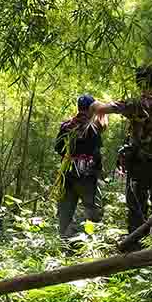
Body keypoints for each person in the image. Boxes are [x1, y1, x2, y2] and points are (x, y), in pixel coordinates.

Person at [91, 65, 152, 233]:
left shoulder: (133, 103)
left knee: (136, 209)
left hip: (138, 164)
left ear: (138, 82)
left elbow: (102, 109)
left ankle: (135, 248)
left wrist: (94, 103)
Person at [54, 93, 106, 238]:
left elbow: (58, 148)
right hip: (86, 177)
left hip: (66, 175)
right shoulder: (93, 127)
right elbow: (96, 152)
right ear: (91, 108)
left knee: (65, 212)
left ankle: (64, 242)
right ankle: (76, 234)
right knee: (94, 212)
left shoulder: (66, 126)